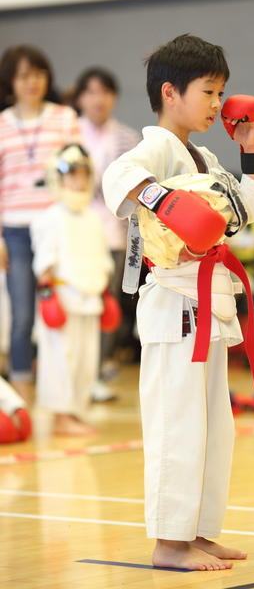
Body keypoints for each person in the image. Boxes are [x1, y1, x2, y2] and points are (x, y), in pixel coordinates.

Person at [102, 34, 254, 571]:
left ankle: (198, 532)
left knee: (212, 428)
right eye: (208, 91)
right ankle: (168, 542)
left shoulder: (200, 154)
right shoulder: (155, 146)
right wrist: (166, 201)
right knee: (176, 425)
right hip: (173, 304)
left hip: (206, 304)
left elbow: (239, 207)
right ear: (170, 92)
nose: (217, 104)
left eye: (221, 92)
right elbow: (119, 176)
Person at [0, 45, 81, 404]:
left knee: (62, 311)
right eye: (22, 75)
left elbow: (79, 173)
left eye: (37, 73)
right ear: (10, 81)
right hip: (14, 231)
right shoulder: (1, 124)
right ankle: (22, 397)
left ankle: (62, 398)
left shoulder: (65, 118)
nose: (30, 82)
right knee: (21, 317)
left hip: (57, 229)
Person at [31, 144, 113, 435]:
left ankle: (76, 410)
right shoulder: (50, 217)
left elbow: (102, 258)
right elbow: (44, 261)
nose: (77, 182)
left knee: (85, 358)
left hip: (89, 297)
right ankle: (60, 416)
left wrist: (105, 293)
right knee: (60, 358)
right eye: (71, 176)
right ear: (57, 178)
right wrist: (47, 296)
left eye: (82, 175)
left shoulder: (93, 217)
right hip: (63, 297)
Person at [73, 67, 140, 401]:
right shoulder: (69, 134)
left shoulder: (128, 138)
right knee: (74, 306)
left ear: (113, 97)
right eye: (91, 92)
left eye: (105, 92)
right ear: (80, 97)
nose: (98, 99)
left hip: (114, 235)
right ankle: (72, 375)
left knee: (106, 305)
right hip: (75, 236)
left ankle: (99, 370)